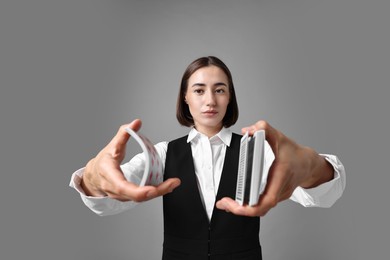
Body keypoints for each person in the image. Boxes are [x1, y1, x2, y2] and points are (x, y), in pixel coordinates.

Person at [70, 56, 346, 260]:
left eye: (220, 89)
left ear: (229, 99)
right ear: (186, 98)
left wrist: (311, 167)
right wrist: (94, 178)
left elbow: (325, 195)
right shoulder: (164, 154)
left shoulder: (257, 151)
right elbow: (108, 199)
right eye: (199, 90)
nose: (210, 100)